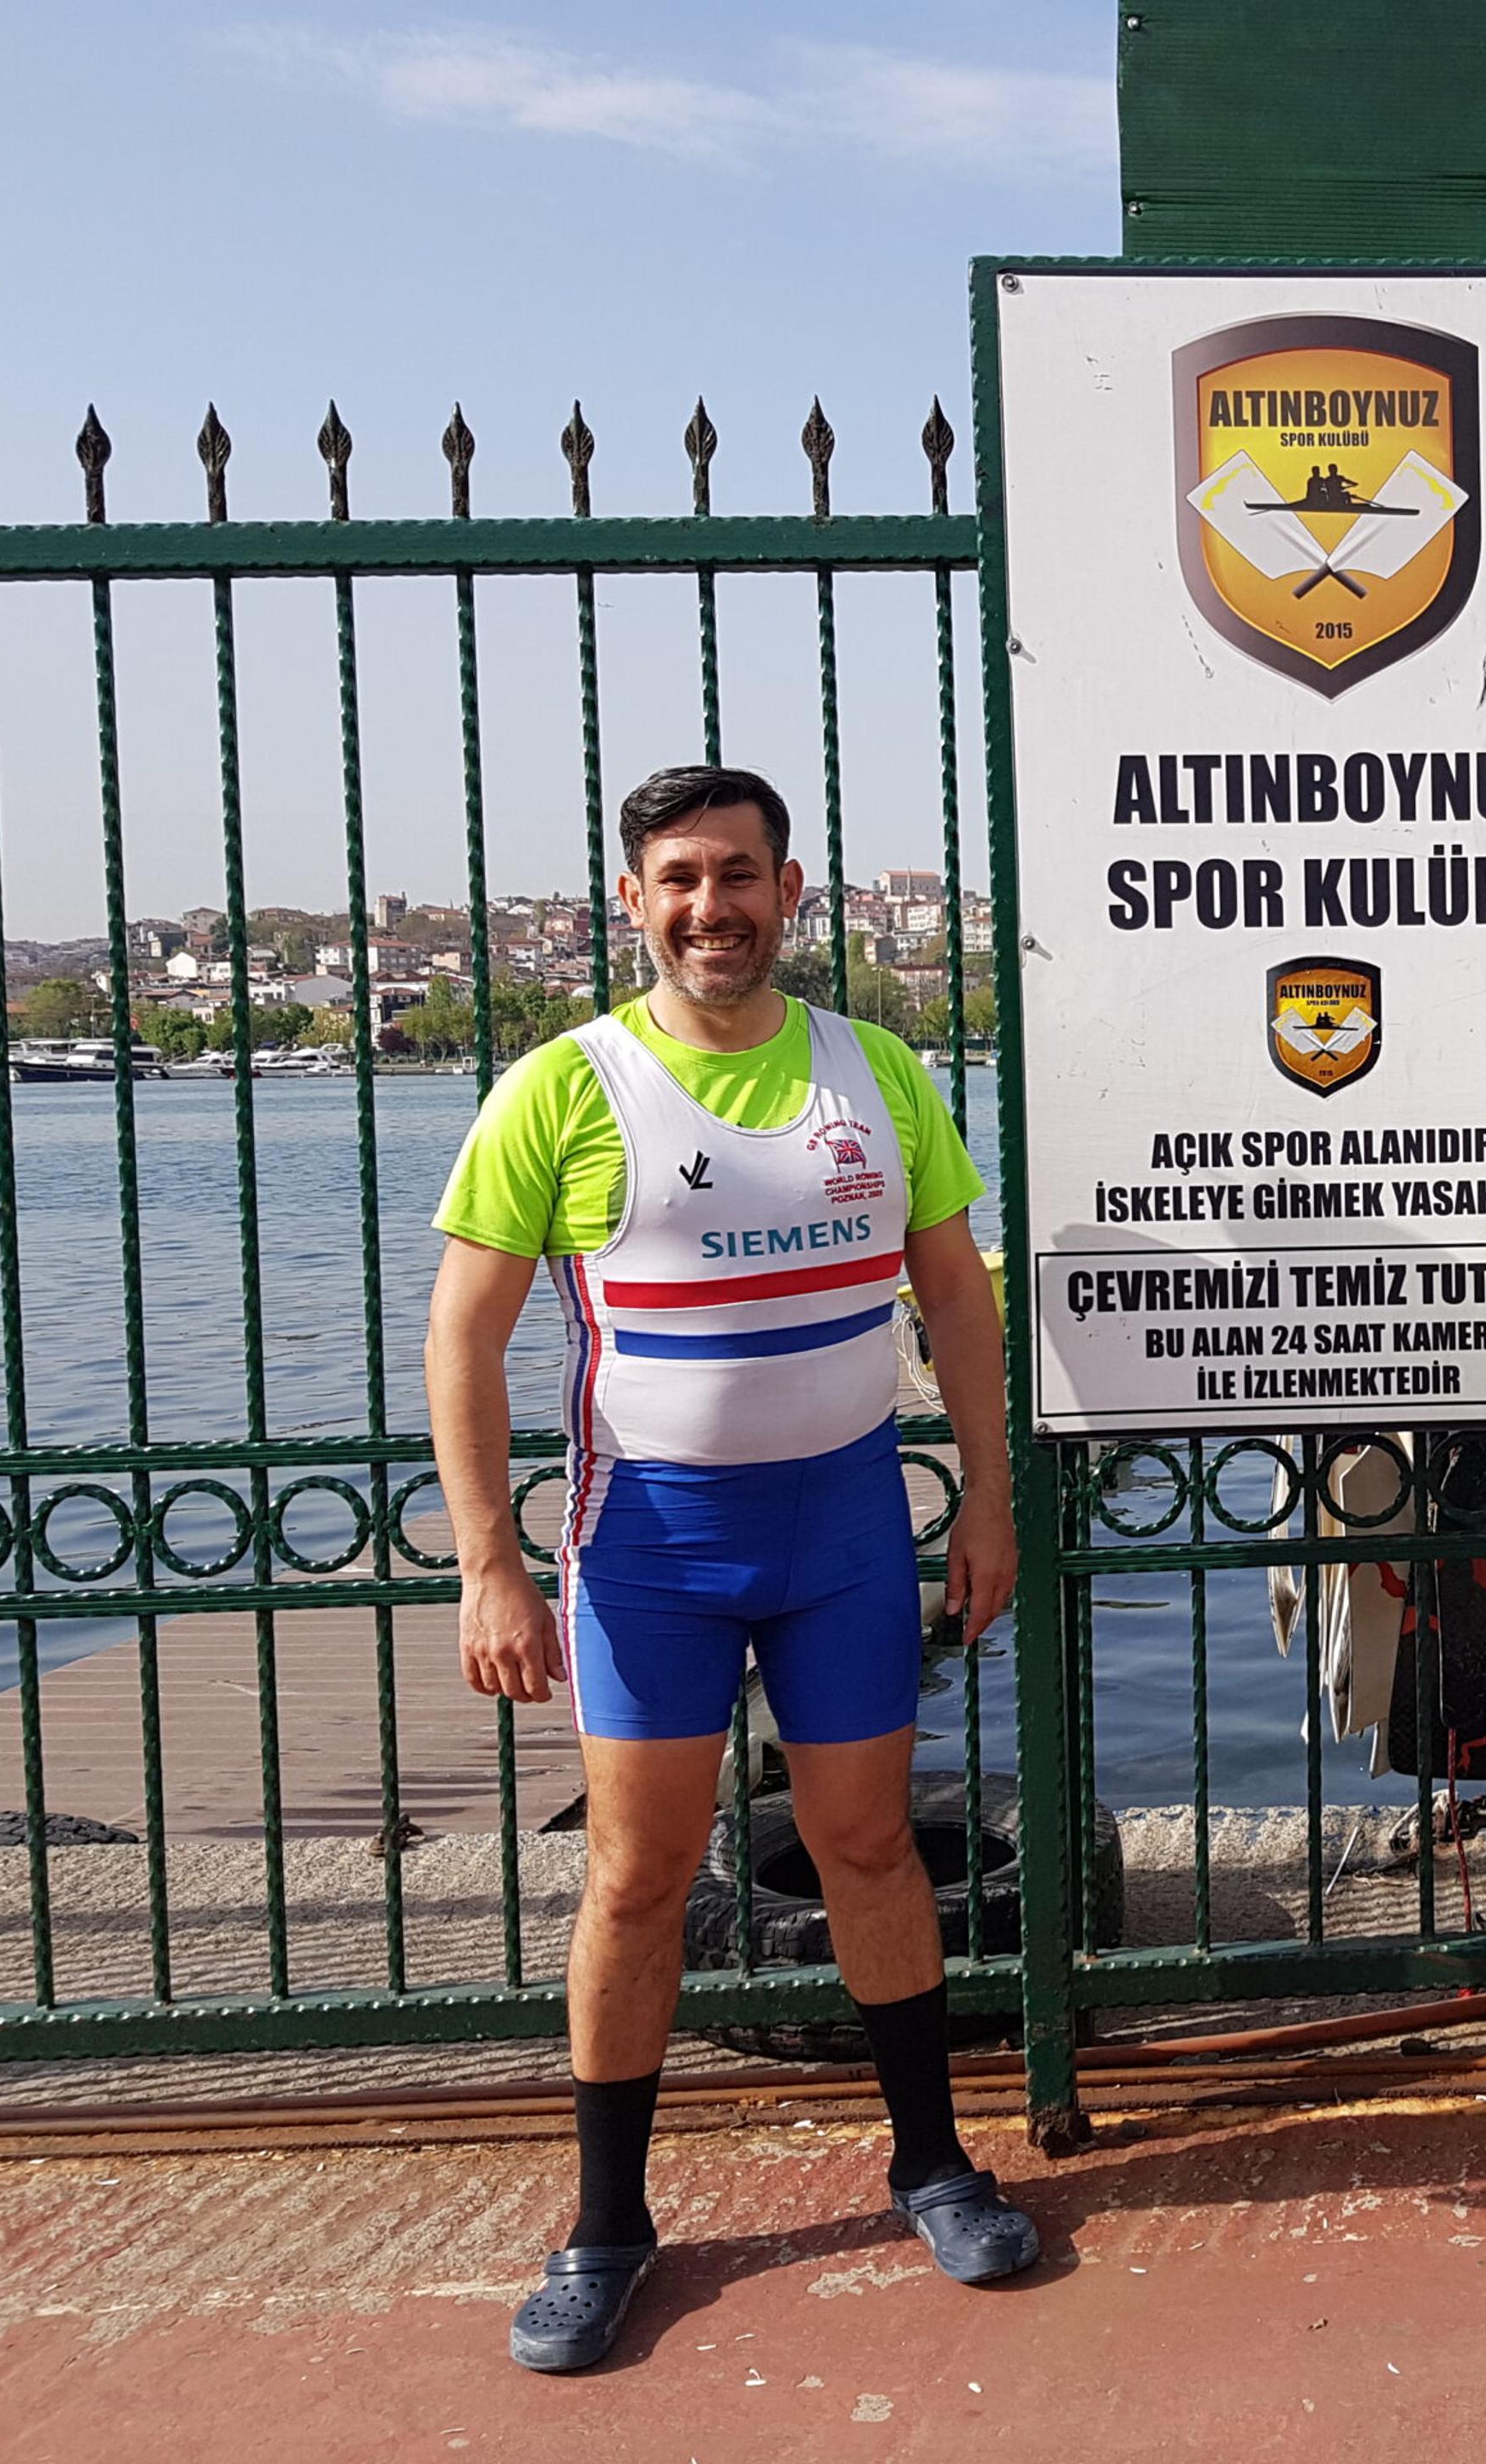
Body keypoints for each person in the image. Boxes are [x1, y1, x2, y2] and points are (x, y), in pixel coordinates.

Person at [426, 764, 1033, 2373]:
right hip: (652, 1550)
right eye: (682, 878)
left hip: (841, 1533)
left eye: (743, 875)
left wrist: (988, 1499)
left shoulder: (878, 1072)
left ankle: (931, 2163)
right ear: (633, 902)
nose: (715, 907)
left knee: (869, 1850)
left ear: (791, 892)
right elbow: (464, 1339)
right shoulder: (563, 1089)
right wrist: (490, 1561)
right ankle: (608, 2225)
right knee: (637, 1878)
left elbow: (957, 1304)